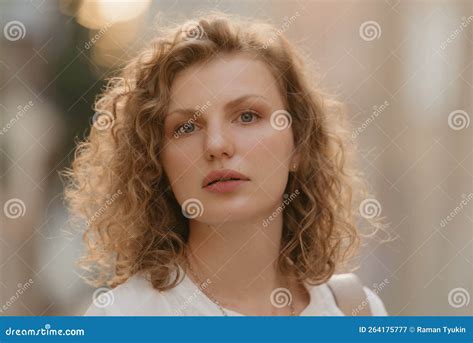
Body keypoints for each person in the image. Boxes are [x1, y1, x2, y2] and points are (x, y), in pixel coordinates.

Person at [64, 12, 388, 316]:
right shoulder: (121, 318)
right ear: (155, 161)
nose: (217, 145)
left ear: (299, 146)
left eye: (247, 116)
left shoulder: (356, 311)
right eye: (187, 127)